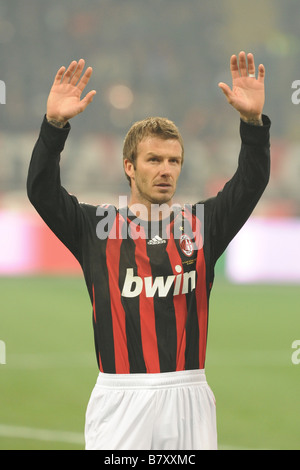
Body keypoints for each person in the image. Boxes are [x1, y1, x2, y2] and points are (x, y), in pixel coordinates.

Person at [27, 51, 271, 450]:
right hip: (121, 397)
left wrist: (252, 124)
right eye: (154, 159)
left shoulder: (203, 226)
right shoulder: (95, 228)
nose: (165, 169)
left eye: (174, 160)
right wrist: (54, 126)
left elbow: (250, 183)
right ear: (129, 166)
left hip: (188, 394)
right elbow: (42, 192)